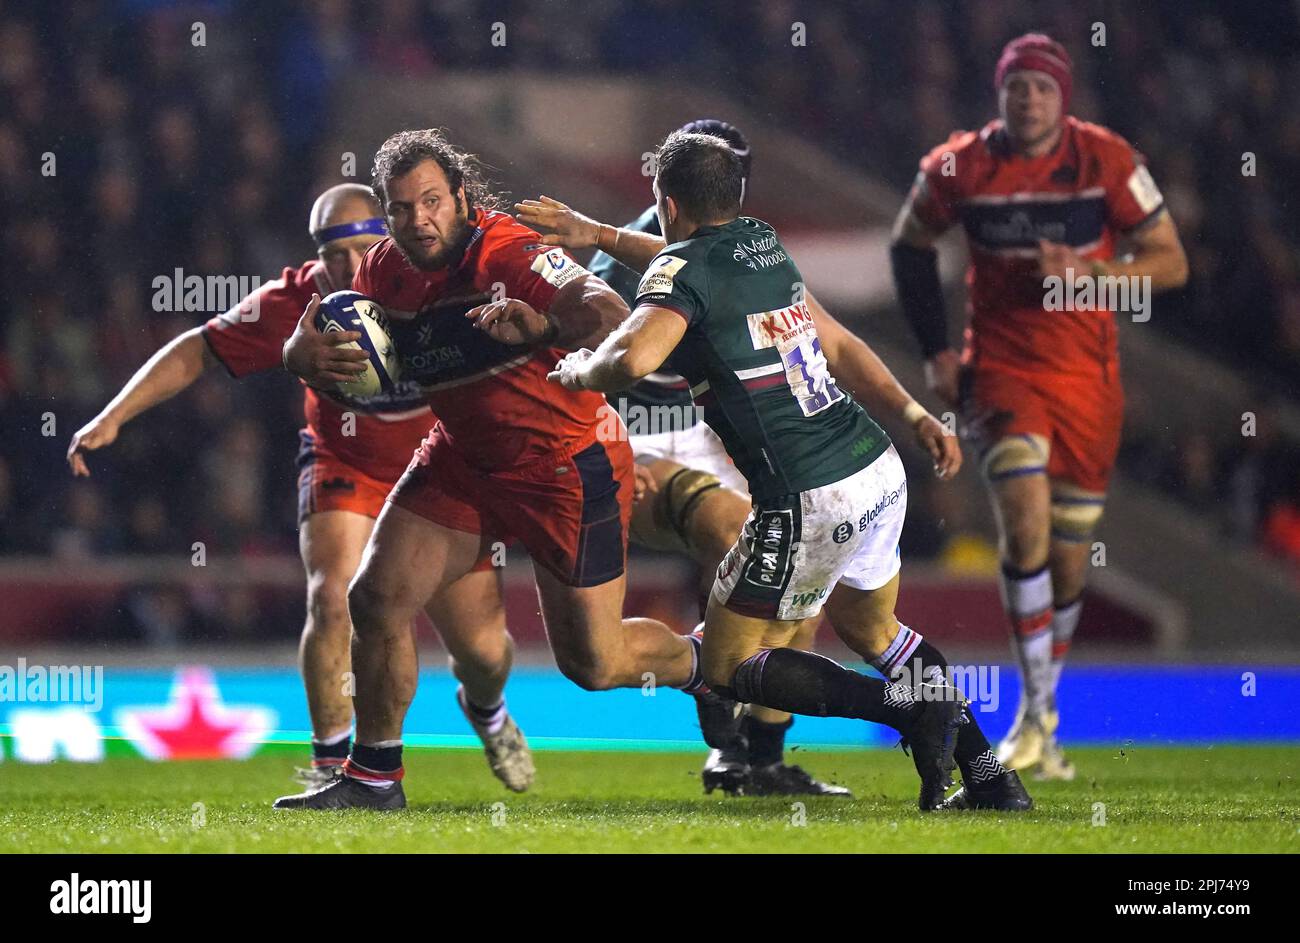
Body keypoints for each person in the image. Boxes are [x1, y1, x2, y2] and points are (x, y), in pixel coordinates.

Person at [549, 130, 1030, 811]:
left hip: (807, 492)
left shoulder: (677, 273)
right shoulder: (761, 245)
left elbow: (631, 358)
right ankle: (990, 777)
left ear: (666, 199)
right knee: (878, 633)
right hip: (873, 467)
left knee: (727, 662)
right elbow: (795, 319)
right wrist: (914, 413)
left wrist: (577, 369)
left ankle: (906, 712)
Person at [273, 130, 713, 811]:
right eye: (399, 209)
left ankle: (704, 663)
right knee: (373, 597)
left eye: (431, 202)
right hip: (464, 460)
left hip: (562, 463)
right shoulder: (381, 274)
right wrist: (299, 357)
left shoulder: (511, 250)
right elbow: (333, 357)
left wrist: (543, 329)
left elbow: (610, 315)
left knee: (594, 665)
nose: (417, 220)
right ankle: (374, 777)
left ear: (463, 197)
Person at [67, 184, 534, 793]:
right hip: (346, 463)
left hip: (438, 475)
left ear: (389, 238)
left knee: (482, 652)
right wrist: (114, 416)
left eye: (358, 246)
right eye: (327, 250)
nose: (343, 266)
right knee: (332, 592)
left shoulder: (438, 283)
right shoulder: (299, 300)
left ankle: (487, 709)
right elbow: (197, 350)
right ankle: (331, 763)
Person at [889, 33, 1189, 779]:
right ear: (999, 93)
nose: (1028, 99)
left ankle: (1040, 714)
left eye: (1043, 88)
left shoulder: (1107, 161)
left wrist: (1088, 274)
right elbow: (909, 243)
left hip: (1088, 383)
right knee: (1023, 514)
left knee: (1067, 554)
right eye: (1016, 86)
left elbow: (1171, 266)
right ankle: (1034, 719)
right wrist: (936, 351)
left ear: (1065, 97)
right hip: (1003, 373)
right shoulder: (957, 165)